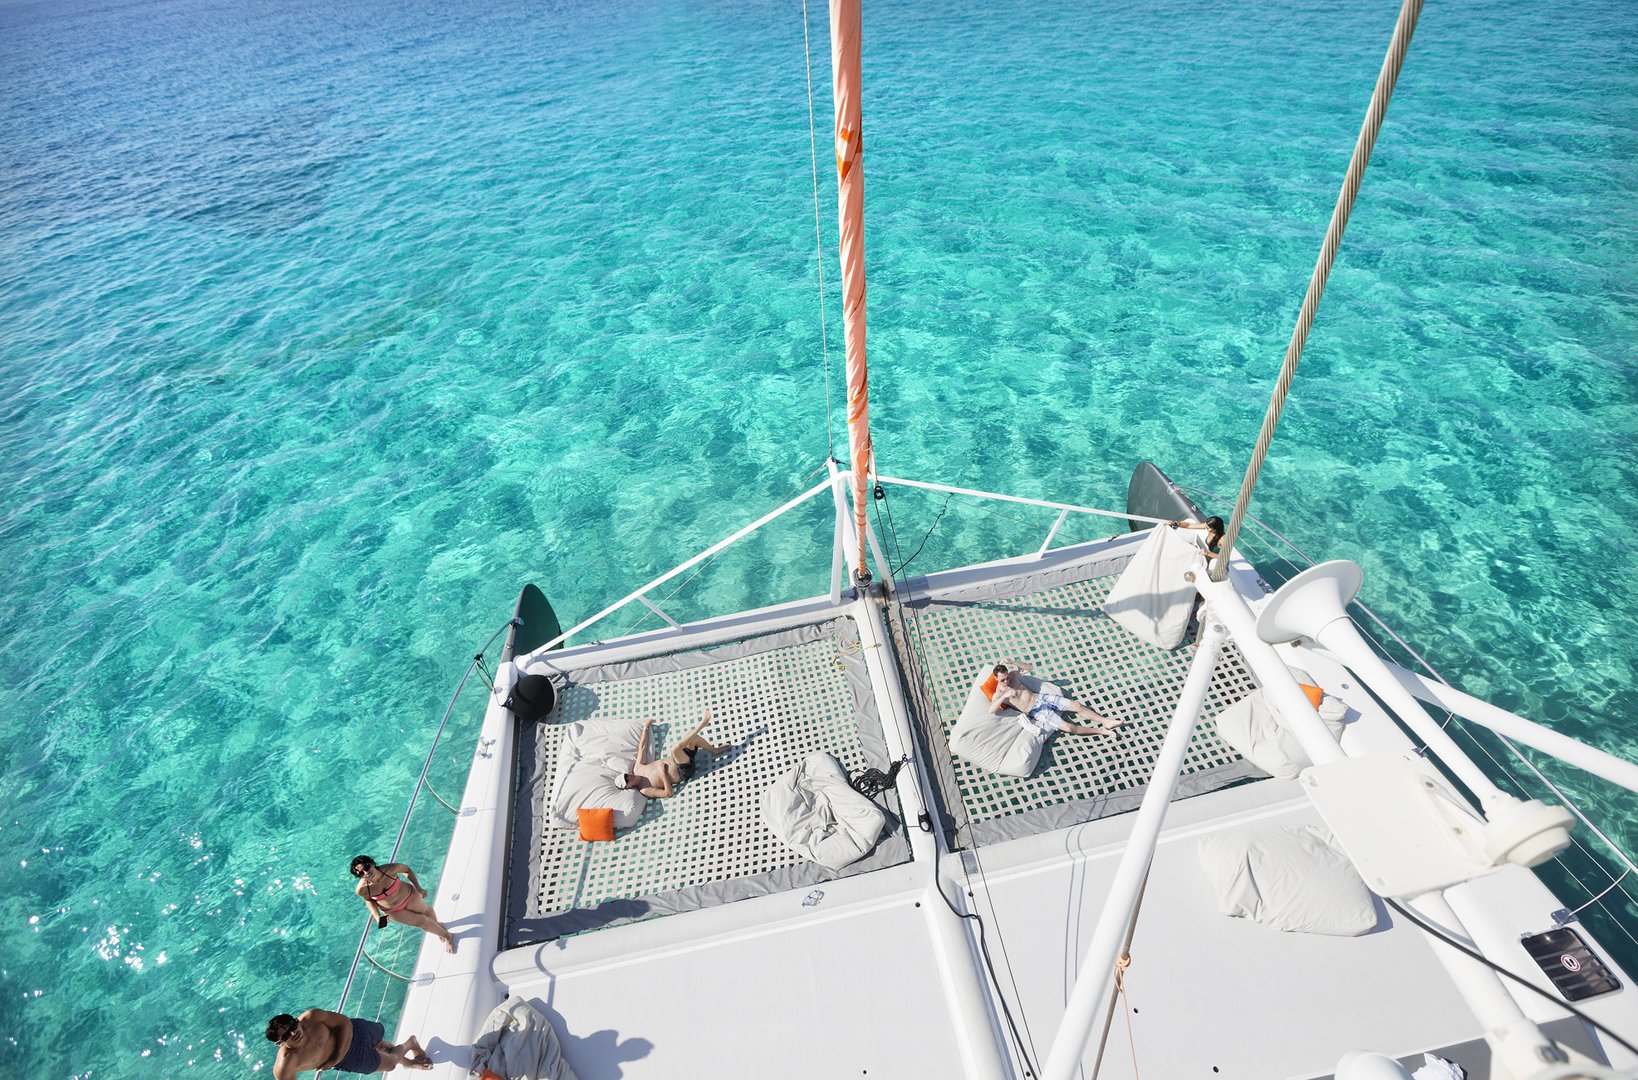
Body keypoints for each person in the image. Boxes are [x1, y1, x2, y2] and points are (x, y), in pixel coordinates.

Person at [265, 1009, 430, 1076]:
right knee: (391, 1063)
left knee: (382, 1044)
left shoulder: (312, 1017)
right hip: (349, 1058)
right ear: (279, 1044)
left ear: (296, 1020)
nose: (293, 1032)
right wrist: (338, 1059)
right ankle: (410, 1043)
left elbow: (344, 1022)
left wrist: (334, 1059)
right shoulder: (286, 1064)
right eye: (285, 1035)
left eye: (293, 1025)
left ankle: (408, 1061)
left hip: (351, 1030)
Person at [350, 856, 454, 954]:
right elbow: (369, 901)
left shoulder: (390, 869)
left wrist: (418, 888)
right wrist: (377, 917)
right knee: (422, 921)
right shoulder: (362, 889)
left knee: (426, 911)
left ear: (372, 863)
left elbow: (407, 870)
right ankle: (447, 936)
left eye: (366, 868)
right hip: (393, 911)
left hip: (410, 896)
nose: (366, 873)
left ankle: (438, 928)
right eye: (361, 873)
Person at [988, 661, 1123, 737]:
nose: (1007, 681)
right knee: (1069, 728)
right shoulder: (999, 693)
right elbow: (991, 710)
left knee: (1077, 705)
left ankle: (1106, 721)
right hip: (1036, 711)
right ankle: (1101, 731)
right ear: (996, 679)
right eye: (1003, 680)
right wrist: (1004, 697)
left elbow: (1030, 667)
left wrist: (1012, 662)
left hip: (1041, 698)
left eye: (1006, 677)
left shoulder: (1013, 676)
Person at [618, 708, 729, 799]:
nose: (629, 777)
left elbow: (642, 747)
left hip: (682, 757)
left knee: (691, 736)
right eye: (627, 781)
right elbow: (668, 793)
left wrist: (646, 727)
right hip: (683, 771)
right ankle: (703, 724)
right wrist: (663, 774)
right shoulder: (644, 789)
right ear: (629, 787)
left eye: (626, 776)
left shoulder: (638, 768)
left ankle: (714, 751)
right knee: (675, 749)